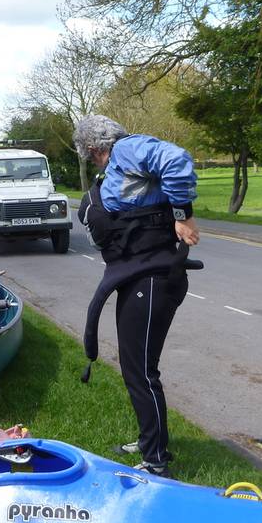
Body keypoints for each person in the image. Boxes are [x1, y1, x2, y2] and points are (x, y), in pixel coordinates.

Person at [73, 115, 201, 479]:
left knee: (142, 371)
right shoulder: (118, 164)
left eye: (91, 155)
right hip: (135, 273)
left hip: (153, 276)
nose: (94, 161)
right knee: (134, 366)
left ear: (95, 148)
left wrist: (182, 215)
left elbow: (176, 160)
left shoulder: (126, 149)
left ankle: (155, 460)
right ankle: (150, 441)